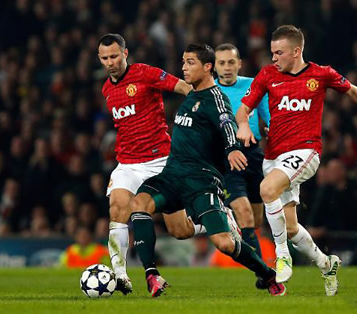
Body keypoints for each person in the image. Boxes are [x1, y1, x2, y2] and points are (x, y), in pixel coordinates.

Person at [236, 25, 357, 296]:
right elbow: (243, 110)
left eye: (279, 52)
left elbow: (354, 92)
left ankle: (281, 257)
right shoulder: (267, 75)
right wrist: (243, 125)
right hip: (274, 156)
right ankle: (327, 264)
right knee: (290, 228)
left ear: (296, 51)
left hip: (306, 151)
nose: (274, 58)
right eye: (272, 52)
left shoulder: (320, 74)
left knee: (266, 189)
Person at [129, 43, 286, 298]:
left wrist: (233, 148)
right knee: (139, 204)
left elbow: (226, 121)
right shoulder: (191, 95)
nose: (183, 67)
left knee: (224, 243)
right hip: (172, 175)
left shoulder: (216, 98)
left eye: (190, 62)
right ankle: (152, 275)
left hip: (201, 181)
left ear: (207, 67)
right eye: (183, 61)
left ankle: (267, 274)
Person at [98, 33, 192, 294]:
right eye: (105, 58)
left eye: (114, 56)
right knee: (117, 208)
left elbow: (181, 87)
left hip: (160, 160)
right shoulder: (107, 89)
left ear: (125, 54)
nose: (110, 62)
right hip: (127, 163)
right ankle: (120, 275)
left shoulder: (144, 73)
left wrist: (204, 101)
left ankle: (216, 220)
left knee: (180, 230)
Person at [214, 43, 271, 288]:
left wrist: (271, 128)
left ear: (239, 63)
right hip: (226, 157)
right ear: (214, 67)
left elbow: (269, 119)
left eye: (231, 62)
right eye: (221, 63)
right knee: (245, 212)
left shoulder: (254, 86)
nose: (227, 68)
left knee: (256, 221)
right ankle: (264, 275)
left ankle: (239, 230)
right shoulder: (208, 91)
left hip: (254, 155)